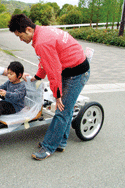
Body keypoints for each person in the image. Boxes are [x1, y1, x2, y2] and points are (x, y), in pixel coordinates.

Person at [8, 14, 90, 160]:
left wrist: (57, 95)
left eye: (20, 36)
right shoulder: (41, 32)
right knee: (66, 108)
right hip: (69, 68)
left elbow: (53, 71)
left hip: (77, 73)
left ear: (28, 29)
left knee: (62, 109)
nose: (20, 40)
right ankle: (60, 142)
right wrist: (38, 76)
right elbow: (46, 60)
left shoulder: (42, 42)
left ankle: (48, 147)